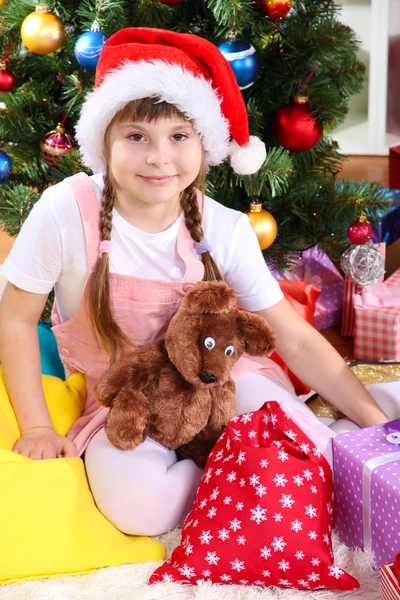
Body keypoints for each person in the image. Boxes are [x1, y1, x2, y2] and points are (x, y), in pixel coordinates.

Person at [0, 28, 391, 537]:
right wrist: (35, 428)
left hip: (226, 380)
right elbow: (15, 317)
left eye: (179, 137)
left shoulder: (224, 226)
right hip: (129, 397)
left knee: (307, 456)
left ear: (202, 143)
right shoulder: (65, 210)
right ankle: (232, 474)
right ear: (103, 141)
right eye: (136, 136)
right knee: (140, 509)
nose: (159, 157)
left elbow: (291, 336)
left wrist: (369, 422)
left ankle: (289, 446)